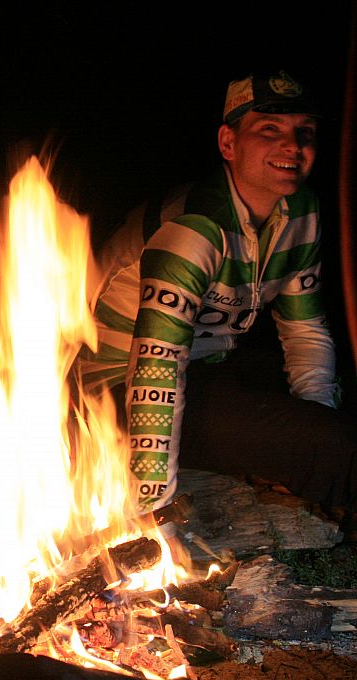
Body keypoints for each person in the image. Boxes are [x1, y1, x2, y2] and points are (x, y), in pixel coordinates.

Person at [80, 69, 355, 524]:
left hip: (211, 367)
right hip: (116, 393)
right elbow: (156, 371)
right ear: (229, 143)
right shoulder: (193, 228)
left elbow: (304, 330)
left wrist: (315, 418)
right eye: (270, 130)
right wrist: (154, 507)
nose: (292, 145)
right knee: (341, 447)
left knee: (329, 421)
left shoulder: (301, 212)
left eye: (304, 131)